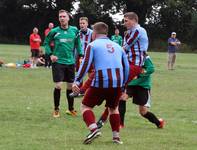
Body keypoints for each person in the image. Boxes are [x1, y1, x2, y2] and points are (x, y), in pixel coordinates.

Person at [72, 22, 129, 144]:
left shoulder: (92, 45)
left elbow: (85, 65)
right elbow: (127, 67)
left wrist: (77, 81)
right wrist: (123, 85)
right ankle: (116, 138)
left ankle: (93, 129)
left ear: (95, 33)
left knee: (85, 106)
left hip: (101, 81)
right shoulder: (118, 47)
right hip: (117, 82)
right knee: (114, 108)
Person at [44, 9, 84, 118]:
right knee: (58, 85)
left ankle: (70, 109)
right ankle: (56, 109)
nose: (62, 18)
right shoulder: (54, 31)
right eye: (60, 17)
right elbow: (46, 43)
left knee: (70, 86)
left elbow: (78, 43)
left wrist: (81, 54)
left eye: (63, 16)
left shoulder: (75, 30)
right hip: (58, 62)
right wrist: (51, 55)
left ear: (68, 18)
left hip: (70, 62)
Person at [118, 53, 165, 129]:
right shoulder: (126, 54)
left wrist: (139, 74)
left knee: (143, 112)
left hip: (143, 85)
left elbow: (151, 68)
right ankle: (120, 124)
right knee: (122, 98)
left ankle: (159, 123)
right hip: (130, 84)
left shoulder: (144, 56)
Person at [123, 12, 149, 82]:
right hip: (129, 62)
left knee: (118, 82)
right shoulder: (129, 32)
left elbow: (126, 47)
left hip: (134, 63)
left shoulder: (138, 30)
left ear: (134, 20)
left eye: (126, 21)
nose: (124, 23)